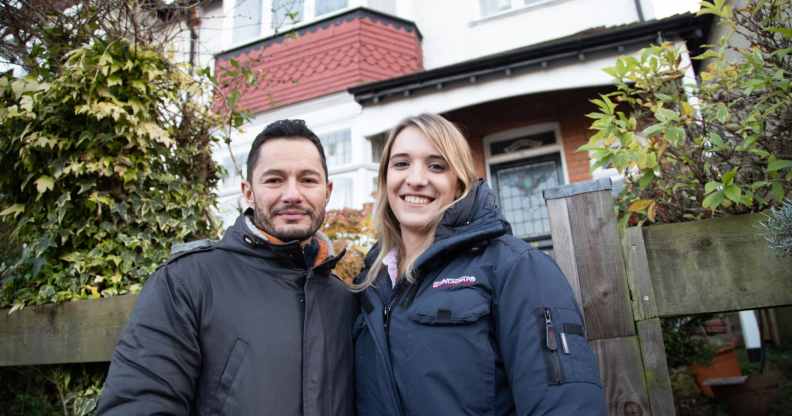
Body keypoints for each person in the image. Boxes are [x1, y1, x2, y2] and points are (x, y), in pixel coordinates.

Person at [97, 119, 357, 415]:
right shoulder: (187, 283)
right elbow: (138, 404)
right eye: (274, 180)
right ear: (248, 192)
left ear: (327, 190)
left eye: (308, 180)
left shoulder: (343, 300)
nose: (292, 194)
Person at [353, 113, 605, 415]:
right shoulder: (369, 284)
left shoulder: (515, 267)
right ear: (385, 179)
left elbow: (565, 404)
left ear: (458, 182)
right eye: (401, 164)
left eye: (436, 166)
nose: (416, 179)